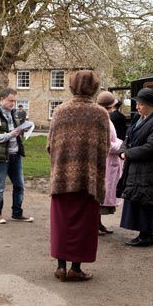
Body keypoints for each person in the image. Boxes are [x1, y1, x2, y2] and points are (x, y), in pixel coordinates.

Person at [47, 71, 109, 282]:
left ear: (72, 85)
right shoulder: (100, 113)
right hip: (88, 179)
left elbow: (49, 145)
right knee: (84, 224)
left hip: (62, 178)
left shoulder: (60, 111)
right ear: (94, 87)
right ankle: (76, 268)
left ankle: (60, 267)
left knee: (62, 222)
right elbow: (105, 148)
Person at [118, 87, 153, 247]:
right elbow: (127, 138)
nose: (137, 107)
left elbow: (152, 147)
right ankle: (143, 233)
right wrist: (123, 150)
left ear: (150, 105)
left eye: (140, 104)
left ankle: (146, 235)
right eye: (137, 103)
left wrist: (128, 154)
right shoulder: (138, 119)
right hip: (136, 168)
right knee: (137, 198)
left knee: (146, 200)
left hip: (150, 169)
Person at [0, 88, 33, 224]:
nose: (13, 103)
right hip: (0, 156)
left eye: (14, 101)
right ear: (2, 99)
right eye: (10, 100)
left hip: (15, 154)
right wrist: (9, 135)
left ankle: (17, 213)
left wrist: (23, 129)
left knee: (19, 185)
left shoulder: (14, 113)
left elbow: (16, 131)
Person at [96, 91, 123, 235]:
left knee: (104, 193)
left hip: (110, 161)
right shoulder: (102, 120)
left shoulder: (106, 118)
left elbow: (112, 139)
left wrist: (120, 143)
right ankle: (95, 224)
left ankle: (99, 223)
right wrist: (122, 147)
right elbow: (105, 143)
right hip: (105, 162)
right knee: (101, 194)